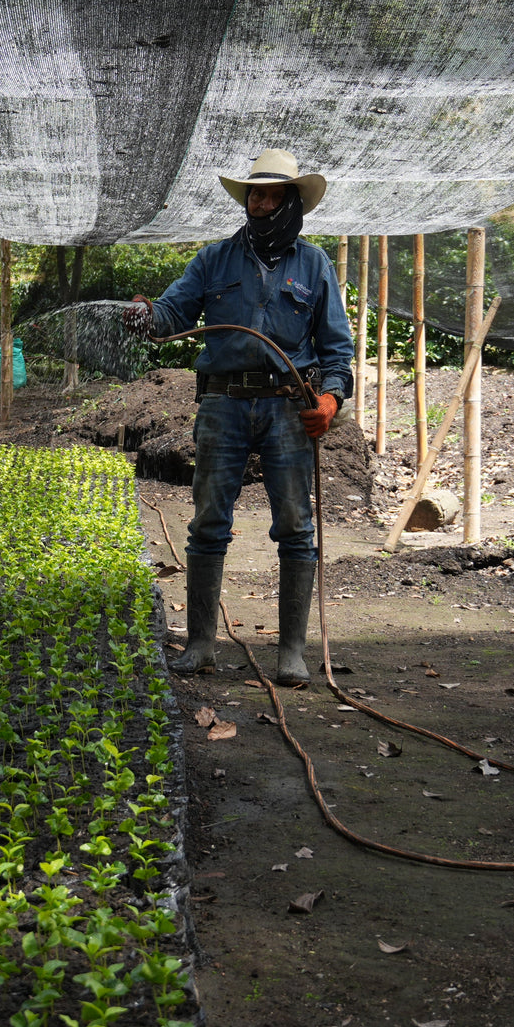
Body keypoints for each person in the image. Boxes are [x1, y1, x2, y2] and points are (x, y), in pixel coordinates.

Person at [125, 148, 354, 686]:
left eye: (272, 196)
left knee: (295, 526)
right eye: (255, 195)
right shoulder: (214, 260)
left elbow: (336, 349)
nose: (261, 204)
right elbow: (173, 313)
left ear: (291, 204)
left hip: (288, 408)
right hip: (223, 404)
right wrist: (146, 316)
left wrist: (330, 401)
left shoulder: (314, 265)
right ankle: (201, 645)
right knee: (208, 521)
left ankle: (291, 653)